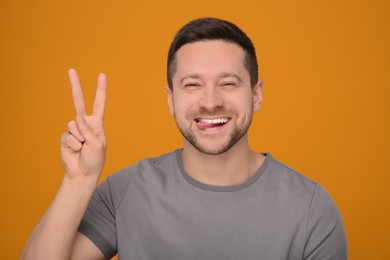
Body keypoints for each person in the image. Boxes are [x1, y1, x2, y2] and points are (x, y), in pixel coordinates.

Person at [22, 17, 347, 260]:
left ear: (257, 94)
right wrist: (78, 180)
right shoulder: (125, 192)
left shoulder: (311, 209)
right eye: (192, 84)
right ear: (170, 99)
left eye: (229, 83)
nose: (210, 101)